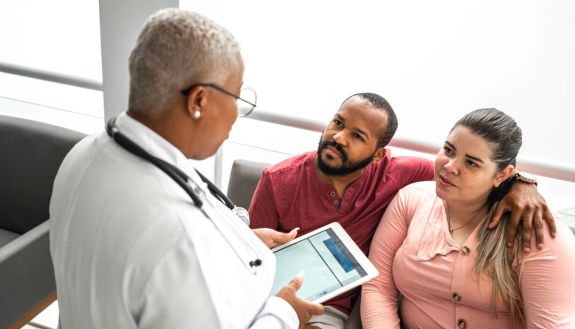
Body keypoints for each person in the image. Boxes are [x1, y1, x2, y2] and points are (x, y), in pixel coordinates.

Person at [49, 8, 323, 328]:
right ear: (198, 102)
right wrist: (284, 312)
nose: (236, 113)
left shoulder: (86, 153)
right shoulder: (180, 237)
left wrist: (236, 240)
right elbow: (173, 247)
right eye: (236, 96)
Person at [249, 93, 555, 328]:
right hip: (269, 295)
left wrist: (520, 182)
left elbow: (469, 174)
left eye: (357, 136)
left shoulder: (401, 174)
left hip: (330, 310)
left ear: (378, 155)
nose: (338, 137)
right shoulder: (277, 179)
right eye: (338, 123)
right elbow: (249, 262)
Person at [361, 108, 575, 328]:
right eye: (449, 150)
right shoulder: (411, 200)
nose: (450, 166)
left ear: (502, 175)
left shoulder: (539, 231)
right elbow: (377, 287)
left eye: (471, 163)